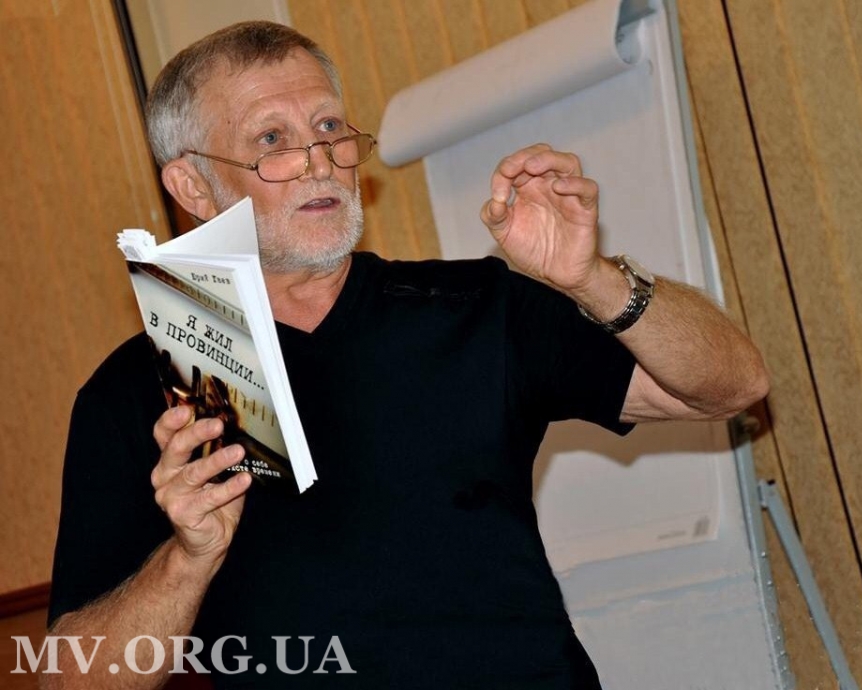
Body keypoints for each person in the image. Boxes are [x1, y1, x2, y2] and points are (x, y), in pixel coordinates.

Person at [44, 20, 768, 690]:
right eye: (271, 139)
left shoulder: (476, 306)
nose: (319, 161)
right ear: (193, 186)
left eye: (329, 126)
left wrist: (593, 280)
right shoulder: (138, 392)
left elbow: (732, 386)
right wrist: (188, 557)